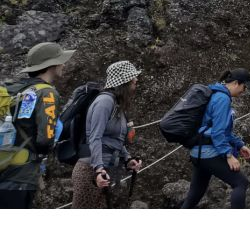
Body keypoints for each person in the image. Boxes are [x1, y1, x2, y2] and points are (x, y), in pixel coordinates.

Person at [0, 42, 75, 208]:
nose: (63, 64)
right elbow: (45, 139)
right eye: (60, 61)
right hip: (22, 173)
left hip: (4, 165)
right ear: (51, 65)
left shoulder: (15, 89)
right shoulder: (47, 92)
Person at [71, 60, 144, 209]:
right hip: (90, 172)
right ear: (123, 82)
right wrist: (98, 169)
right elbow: (95, 137)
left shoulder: (117, 105)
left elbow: (115, 139)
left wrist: (127, 158)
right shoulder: (105, 102)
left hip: (104, 171)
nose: (136, 80)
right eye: (132, 78)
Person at [181, 69, 250, 209]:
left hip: (197, 152)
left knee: (196, 193)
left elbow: (219, 129)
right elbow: (218, 132)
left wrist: (239, 145)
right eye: (245, 87)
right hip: (208, 152)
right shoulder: (222, 99)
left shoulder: (214, 92)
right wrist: (228, 155)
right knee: (241, 183)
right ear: (236, 83)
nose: (244, 91)